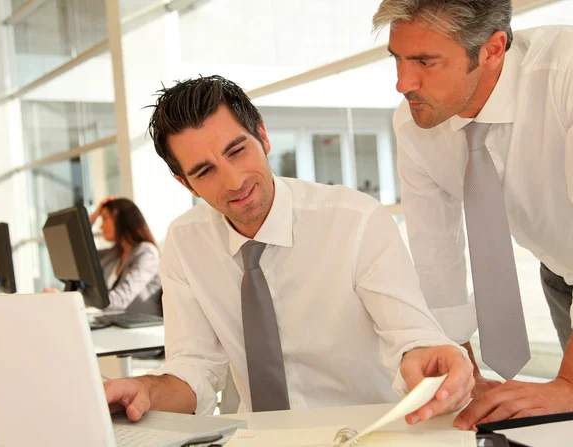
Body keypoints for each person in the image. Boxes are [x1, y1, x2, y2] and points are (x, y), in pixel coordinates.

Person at [104, 75, 474, 423]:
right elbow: (194, 369)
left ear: (262, 135)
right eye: (205, 172)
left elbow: (411, 336)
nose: (234, 182)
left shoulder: (355, 221)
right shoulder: (185, 244)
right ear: (186, 184)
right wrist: (145, 391)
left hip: (367, 434)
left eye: (236, 151)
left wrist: (427, 358)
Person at [372, 0, 573, 429]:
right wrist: (462, 371)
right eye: (398, 59)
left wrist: (568, 382)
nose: (403, 83)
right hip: (562, 271)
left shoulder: (566, 77)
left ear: (492, 49)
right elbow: (435, 253)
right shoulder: (415, 125)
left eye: (426, 61)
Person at [87, 197, 162, 315]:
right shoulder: (113, 254)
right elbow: (78, 254)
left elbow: (121, 299)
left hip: (142, 328)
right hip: (114, 323)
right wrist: (93, 216)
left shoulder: (147, 253)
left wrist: (80, 302)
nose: (101, 226)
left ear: (121, 219)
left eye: (105, 218)